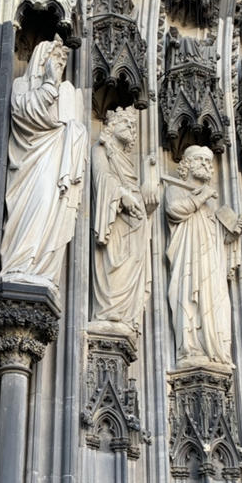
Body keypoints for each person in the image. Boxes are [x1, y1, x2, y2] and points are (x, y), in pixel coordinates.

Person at [0, 38, 88, 288]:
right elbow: (23, 113)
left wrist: (75, 131)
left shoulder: (65, 91)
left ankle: (41, 269)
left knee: (50, 207)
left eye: (62, 61)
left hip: (56, 160)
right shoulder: (22, 85)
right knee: (36, 205)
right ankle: (19, 264)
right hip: (31, 165)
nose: (60, 64)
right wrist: (49, 85)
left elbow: (70, 126)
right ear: (42, 58)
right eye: (55, 58)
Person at [165, 146, 242, 366]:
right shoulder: (176, 188)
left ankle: (215, 350)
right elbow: (174, 210)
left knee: (217, 304)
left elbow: (216, 235)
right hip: (189, 260)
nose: (205, 164)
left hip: (212, 263)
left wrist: (232, 232)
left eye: (208, 161)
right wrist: (201, 197)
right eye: (199, 160)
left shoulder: (211, 201)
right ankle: (191, 348)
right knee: (191, 300)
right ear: (187, 165)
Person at [91, 106, 158, 332]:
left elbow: (137, 195)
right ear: (112, 125)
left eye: (133, 125)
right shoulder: (102, 149)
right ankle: (109, 310)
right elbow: (101, 178)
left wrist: (147, 205)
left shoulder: (127, 160)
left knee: (131, 268)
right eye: (126, 123)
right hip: (116, 222)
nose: (131, 128)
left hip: (136, 228)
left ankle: (126, 316)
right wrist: (121, 195)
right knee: (113, 265)